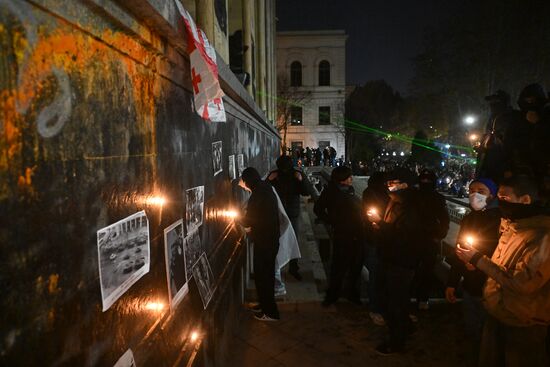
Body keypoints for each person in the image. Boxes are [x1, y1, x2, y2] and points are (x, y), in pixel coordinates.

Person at [456, 175, 550, 366]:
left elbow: (522, 283)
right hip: (498, 312)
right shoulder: (511, 226)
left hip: (523, 321)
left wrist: (477, 259)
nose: (499, 203)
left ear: (525, 200)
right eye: (498, 197)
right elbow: (501, 267)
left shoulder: (543, 236)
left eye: (505, 198)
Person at [445, 178, 501, 366]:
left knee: (489, 338)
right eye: (471, 190)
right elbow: (459, 250)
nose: (474, 194)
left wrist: (479, 263)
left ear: (492, 195)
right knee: (471, 330)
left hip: (491, 290)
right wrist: (452, 283)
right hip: (469, 287)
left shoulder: (501, 221)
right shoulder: (469, 218)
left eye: (481, 191)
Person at [370, 167, 424, 355]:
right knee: (394, 299)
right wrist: (379, 226)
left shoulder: (413, 207)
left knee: (395, 303)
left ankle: (396, 341)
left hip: (402, 261)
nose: (389, 187)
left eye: (393, 184)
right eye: (388, 184)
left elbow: (405, 237)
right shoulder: (395, 201)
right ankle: (406, 327)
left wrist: (382, 225)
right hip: (390, 256)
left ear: (405, 185)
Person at [314, 166, 364, 306]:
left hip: (357, 233)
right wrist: (331, 221)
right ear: (342, 179)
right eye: (348, 177)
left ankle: (352, 293)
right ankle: (333, 295)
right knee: (338, 265)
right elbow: (318, 208)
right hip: (342, 233)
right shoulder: (331, 192)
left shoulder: (350, 190)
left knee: (355, 266)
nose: (351, 179)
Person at [239, 167, 281, 321]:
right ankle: (264, 305)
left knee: (263, 276)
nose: (244, 185)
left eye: (244, 182)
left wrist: (237, 218)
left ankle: (270, 312)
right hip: (270, 239)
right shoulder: (264, 187)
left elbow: (249, 219)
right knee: (265, 276)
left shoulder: (258, 195)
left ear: (248, 181)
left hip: (265, 242)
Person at [268, 155, 309, 281]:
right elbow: (264, 190)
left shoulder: (297, 174)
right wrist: (269, 180)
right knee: (275, 241)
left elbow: (306, 192)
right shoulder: (274, 175)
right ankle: (275, 268)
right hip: (277, 212)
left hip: (292, 213)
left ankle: (293, 268)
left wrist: (301, 180)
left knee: (293, 240)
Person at [413, 169, 449, 310]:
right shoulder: (413, 196)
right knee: (415, 270)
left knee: (426, 271)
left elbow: (444, 221)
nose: (425, 183)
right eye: (424, 180)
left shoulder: (438, 198)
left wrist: (438, 236)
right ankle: (416, 297)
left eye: (428, 181)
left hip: (429, 240)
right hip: (414, 239)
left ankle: (422, 298)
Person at [511, 84, 550, 205]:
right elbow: (512, 144)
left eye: (533, 100)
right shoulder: (517, 119)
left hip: (544, 170)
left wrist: (538, 124)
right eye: (527, 100)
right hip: (523, 171)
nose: (530, 103)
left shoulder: (546, 117)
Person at [362, 172, 390, 326]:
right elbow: (368, 215)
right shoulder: (373, 194)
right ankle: (375, 309)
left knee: (380, 276)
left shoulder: (383, 194)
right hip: (375, 240)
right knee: (376, 276)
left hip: (382, 240)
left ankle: (380, 307)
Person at [476, 90, 519, 183]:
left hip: (502, 167)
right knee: (482, 193)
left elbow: (514, 144)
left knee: (500, 194)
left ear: (504, 102)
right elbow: (487, 138)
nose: (492, 104)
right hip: (486, 165)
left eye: (496, 101)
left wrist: (510, 167)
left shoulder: (514, 117)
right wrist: (481, 148)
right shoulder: (491, 118)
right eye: (491, 102)